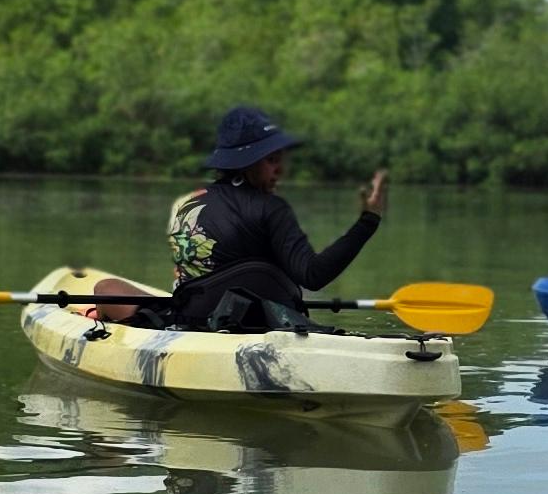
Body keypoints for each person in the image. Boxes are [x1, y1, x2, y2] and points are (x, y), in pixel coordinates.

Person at [161, 104, 389, 333]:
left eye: (281, 160)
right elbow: (313, 275)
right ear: (247, 163)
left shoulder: (184, 205)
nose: (281, 170)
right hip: (256, 331)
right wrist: (368, 221)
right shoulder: (271, 209)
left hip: (189, 327)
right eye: (271, 160)